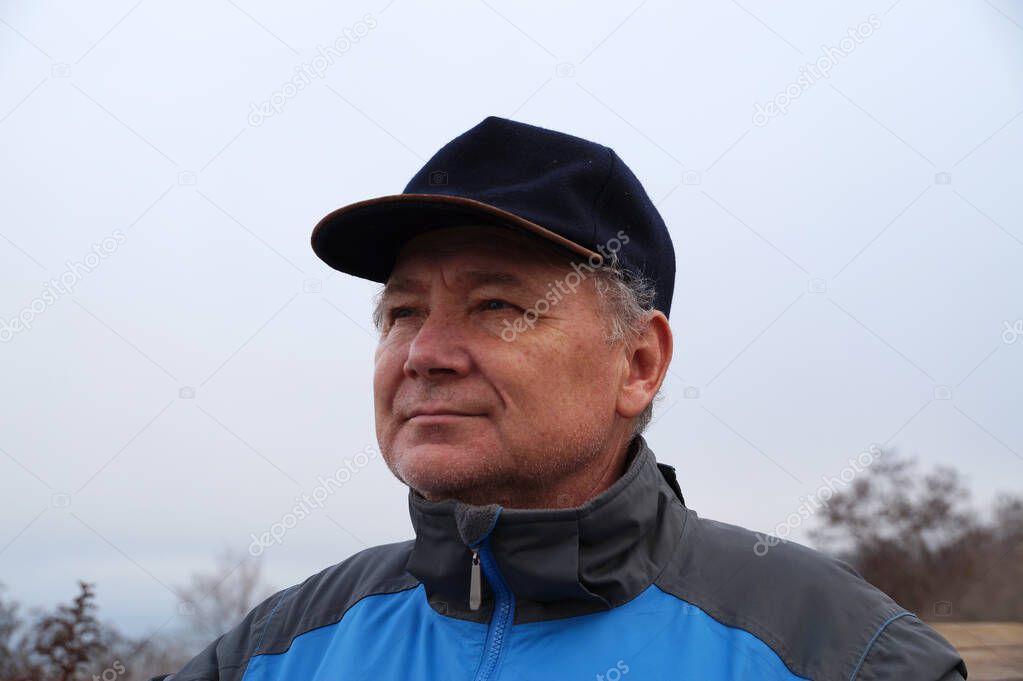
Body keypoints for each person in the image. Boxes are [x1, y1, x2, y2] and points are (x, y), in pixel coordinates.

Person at [152, 116, 967, 681]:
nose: (426, 354)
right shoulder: (276, 650)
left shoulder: (842, 654)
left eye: (497, 306)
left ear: (638, 363)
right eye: (402, 311)